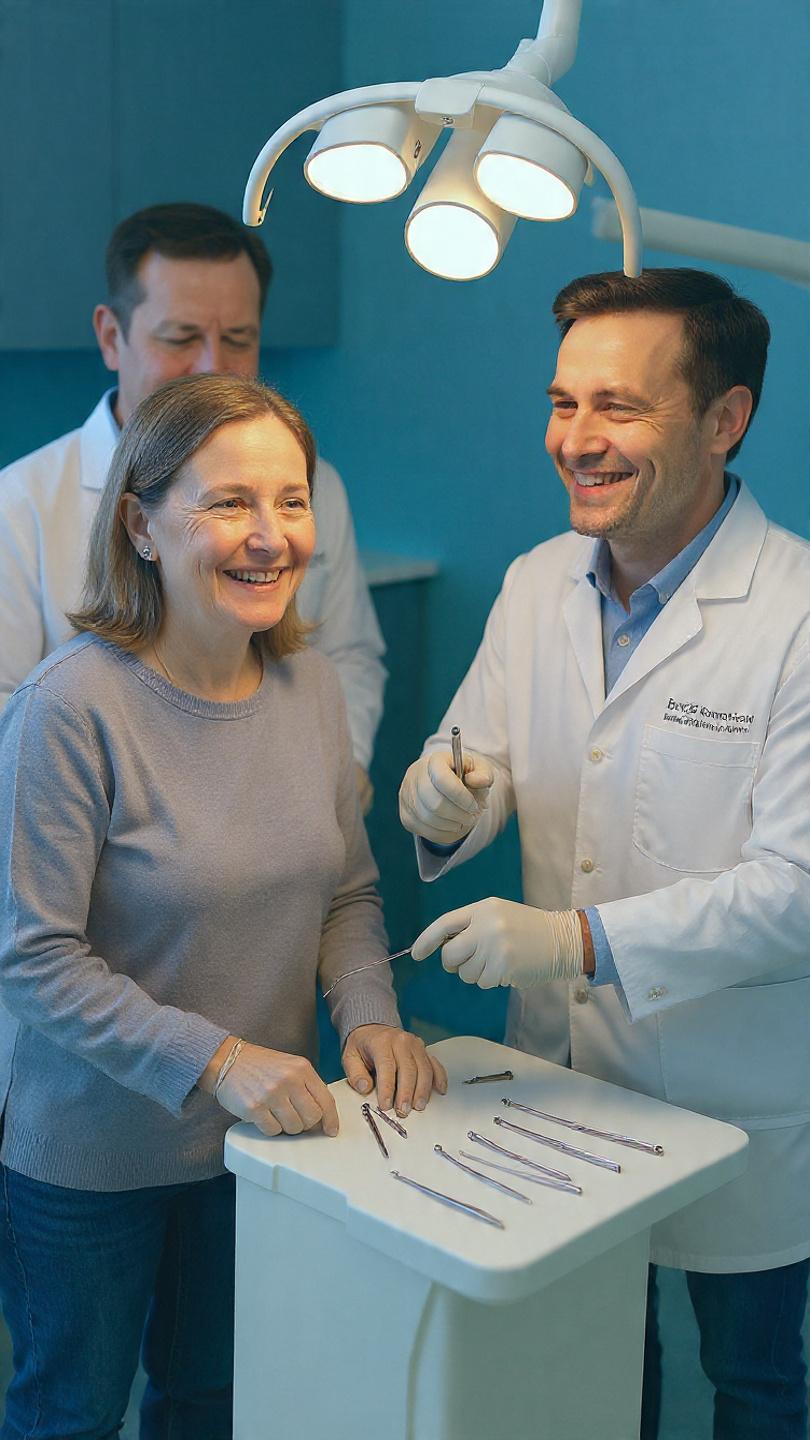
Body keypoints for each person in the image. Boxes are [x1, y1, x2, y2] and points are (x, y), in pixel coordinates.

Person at [399, 269, 810, 1440]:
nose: (576, 440)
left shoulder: (796, 616)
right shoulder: (538, 584)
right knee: (584, 1371)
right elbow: (477, 768)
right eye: (563, 402)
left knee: (755, 1383)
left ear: (724, 421)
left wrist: (579, 939)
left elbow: (799, 888)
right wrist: (443, 797)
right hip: (566, 1078)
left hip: (741, 1091)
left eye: (618, 408)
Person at [0, 372, 445, 1440]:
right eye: (230, 503)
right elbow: (33, 960)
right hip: (93, 1162)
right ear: (143, 527)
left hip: (262, 1148)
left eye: (290, 501)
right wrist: (218, 1060)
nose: (270, 535)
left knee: (214, 1403)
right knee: (71, 1412)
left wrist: (371, 1014)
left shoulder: (313, 692)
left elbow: (345, 892)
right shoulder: (68, 708)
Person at [0, 201, 385, 811]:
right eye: (180, 338)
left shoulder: (317, 486)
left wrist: (338, 769)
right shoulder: (18, 506)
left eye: (238, 339)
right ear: (110, 336)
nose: (212, 366)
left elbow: (347, 656)